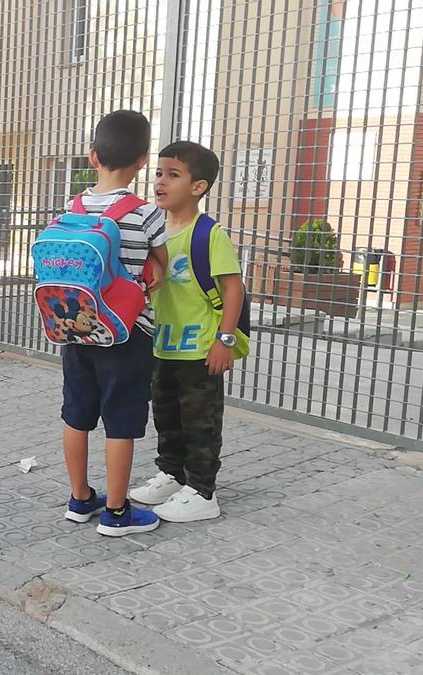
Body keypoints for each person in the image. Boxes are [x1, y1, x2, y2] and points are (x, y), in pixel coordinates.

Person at [58, 110, 169, 537]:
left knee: (76, 415)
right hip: (127, 332)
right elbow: (161, 266)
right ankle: (118, 513)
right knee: (120, 421)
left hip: (76, 326)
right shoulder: (144, 213)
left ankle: (80, 499)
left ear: (92, 156)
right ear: (142, 160)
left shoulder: (74, 207)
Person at [129, 141, 244, 523]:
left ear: (198, 186)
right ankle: (172, 474)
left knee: (200, 421)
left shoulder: (208, 234)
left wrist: (223, 340)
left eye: (173, 175)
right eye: (159, 173)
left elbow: (233, 289)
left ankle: (202, 491)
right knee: (166, 415)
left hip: (200, 349)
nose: (161, 181)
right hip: (163, 345)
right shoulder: (155, 231)